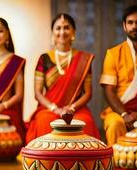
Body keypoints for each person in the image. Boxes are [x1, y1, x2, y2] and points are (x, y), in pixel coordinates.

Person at [26, 13, 100, 144]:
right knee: (44, 121)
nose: (62, 32)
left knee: (85, 122)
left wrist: (71, 108)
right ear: (53, 32)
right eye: (58, 28)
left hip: (76, 108)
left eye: (66, 27)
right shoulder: (44, 59)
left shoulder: (83, 59)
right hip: (49, 108)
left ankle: (83, 161)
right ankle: (46, 161)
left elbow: (88, 93)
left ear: (73, 32)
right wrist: (55, 109)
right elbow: (38, 93)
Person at [100, 4, 137, 146]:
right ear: (124, 26)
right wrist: (125, 115)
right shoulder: (113, 53)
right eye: (130, 22)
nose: (134, 26)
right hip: (119, 112)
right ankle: (116, 168)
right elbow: (109, 90)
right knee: (115, 124)